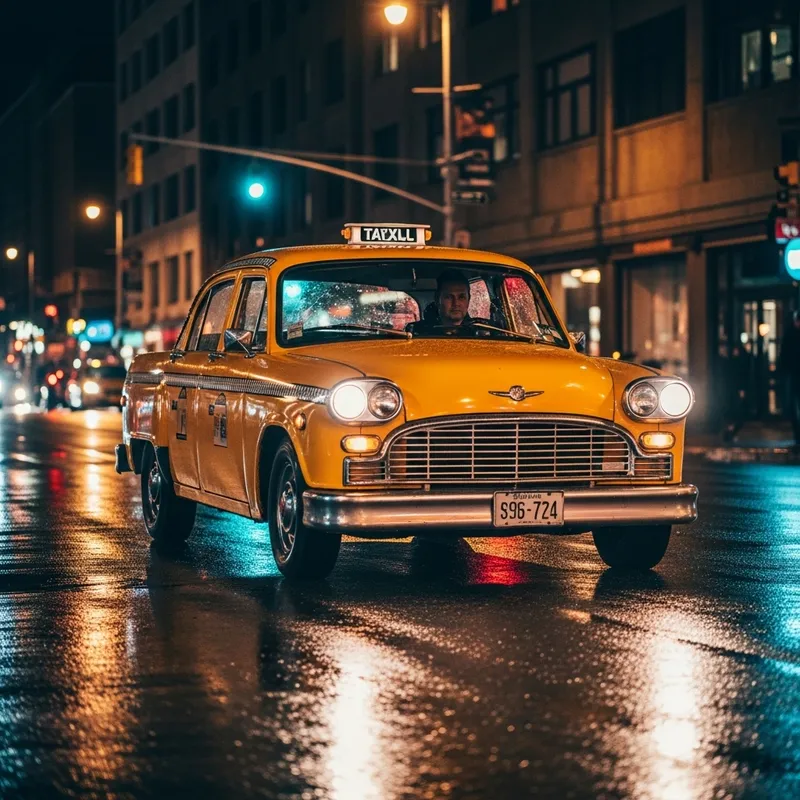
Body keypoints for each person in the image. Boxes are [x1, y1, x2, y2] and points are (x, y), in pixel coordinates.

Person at [780, 309, 800, 445]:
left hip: (794, 374)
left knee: (794, 404)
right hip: (794, 374)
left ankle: (797, 434)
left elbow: (784, 356)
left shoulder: (790, 334)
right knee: (794, 404)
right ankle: (797, 434)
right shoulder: (790, 335)